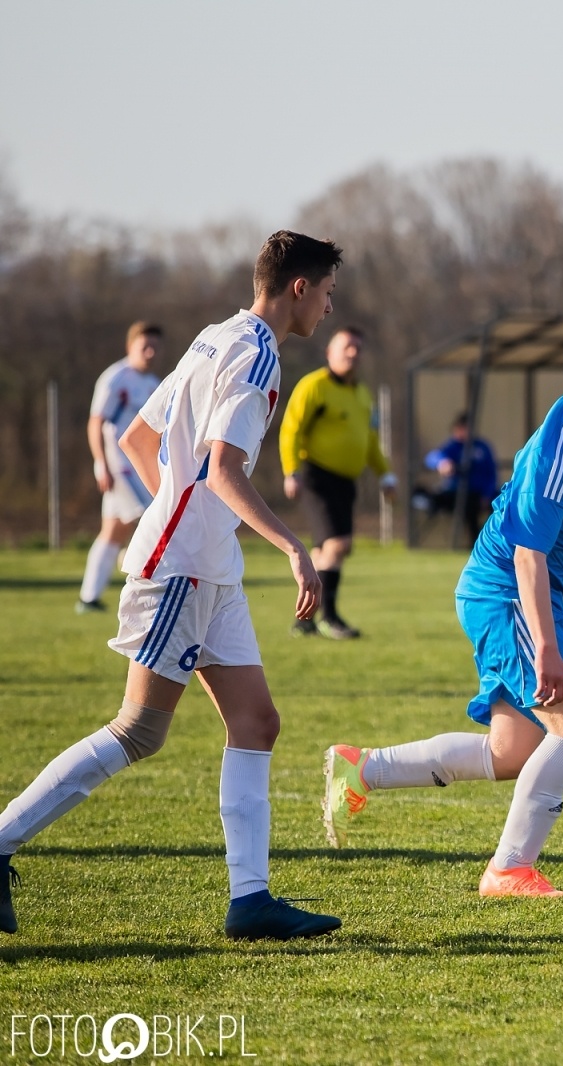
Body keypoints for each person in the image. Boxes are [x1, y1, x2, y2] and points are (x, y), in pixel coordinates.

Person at [0, 230, 344, 941]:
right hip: (182, 568)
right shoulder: (256, 354)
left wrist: (182, 511)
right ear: (299, 288)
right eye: (328, 292)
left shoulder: (216, 335)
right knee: (139, 730)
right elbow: (221, 471)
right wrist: (291, 546)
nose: (331, 308)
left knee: (257, 722)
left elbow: (138, 440)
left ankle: (251, 900)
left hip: (210, 565)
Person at [321, 294, 563, 902]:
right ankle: (509, 870)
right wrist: (546, 648)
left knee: (511, 752)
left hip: (540, 591)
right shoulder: (558, 448)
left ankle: (363, 768)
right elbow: (527, 554)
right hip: (507, 593)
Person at [278, 326, 396, 639]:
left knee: (324, 552)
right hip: (317, 475)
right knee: (338, 544)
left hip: (346, 481)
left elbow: (369, 441)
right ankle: (329, 617)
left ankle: (305, 621)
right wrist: (291, 471)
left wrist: (385, 474)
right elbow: (291, 429)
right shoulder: (314, 386)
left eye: (358, 348)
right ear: (329, 353)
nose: (353, 353)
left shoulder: (361, 394)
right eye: (346, 347)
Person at [77, 322, 164, 613]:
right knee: (153, 518)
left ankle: (88, 598)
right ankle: (139, 572)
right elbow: (96, 423)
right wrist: (101, 463)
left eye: (155, 347)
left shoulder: (153, 384)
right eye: (145, 346)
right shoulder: (115, 378)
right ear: (130, 346)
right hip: (119, 468)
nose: (150, 353)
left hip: (139, 468)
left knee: (112, 531)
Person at [419, 413, 499, 541]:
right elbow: (432, 458)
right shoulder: (453, 446)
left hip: (480, 495)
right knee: (427, 496)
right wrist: (442, 463)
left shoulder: (481, 447)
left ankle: (490, 542)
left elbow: (491, 475)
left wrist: (487, 495)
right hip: (457, 494)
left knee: (496, 505)